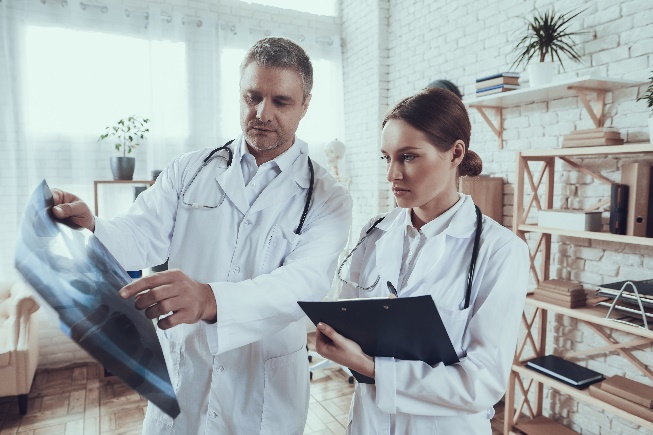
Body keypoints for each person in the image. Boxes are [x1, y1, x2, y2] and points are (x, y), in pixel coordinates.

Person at [51, 37, 352, 434]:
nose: (261, 112)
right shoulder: (190, 170)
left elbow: (304, 285)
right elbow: (141, 234)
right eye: (252, 96)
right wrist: (93, 226)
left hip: (263, 394)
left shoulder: (328, 197)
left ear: (305, 105)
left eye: (281, 102)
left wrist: (210, 299)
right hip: (184, 373)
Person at [315, 87, 528, 434]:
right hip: (370, 422)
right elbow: (348, 322)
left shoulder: (500, 251)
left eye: (409, 157)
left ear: (455, 152)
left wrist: (374, 368)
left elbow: (483, 382)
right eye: (387, 157)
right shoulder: (374, 233)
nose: (392, 175)